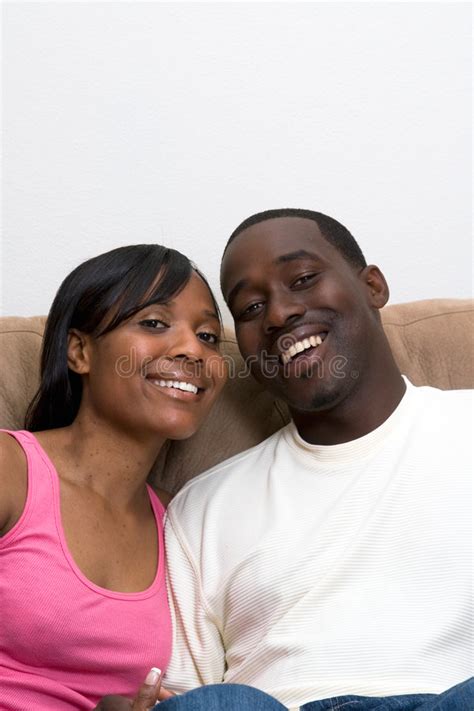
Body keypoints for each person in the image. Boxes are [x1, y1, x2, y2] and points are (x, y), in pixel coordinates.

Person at [139, 209, 470, 711]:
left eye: (303, 279)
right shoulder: (204, 506)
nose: (276, 315)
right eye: (249, 308)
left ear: (373, 286)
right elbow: (185, 695)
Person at [0, 244, 227, 710]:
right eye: (155, 323)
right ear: (80, 351)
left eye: (207, 335)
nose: (192, 349)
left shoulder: (181, 526)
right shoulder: (10, 471)